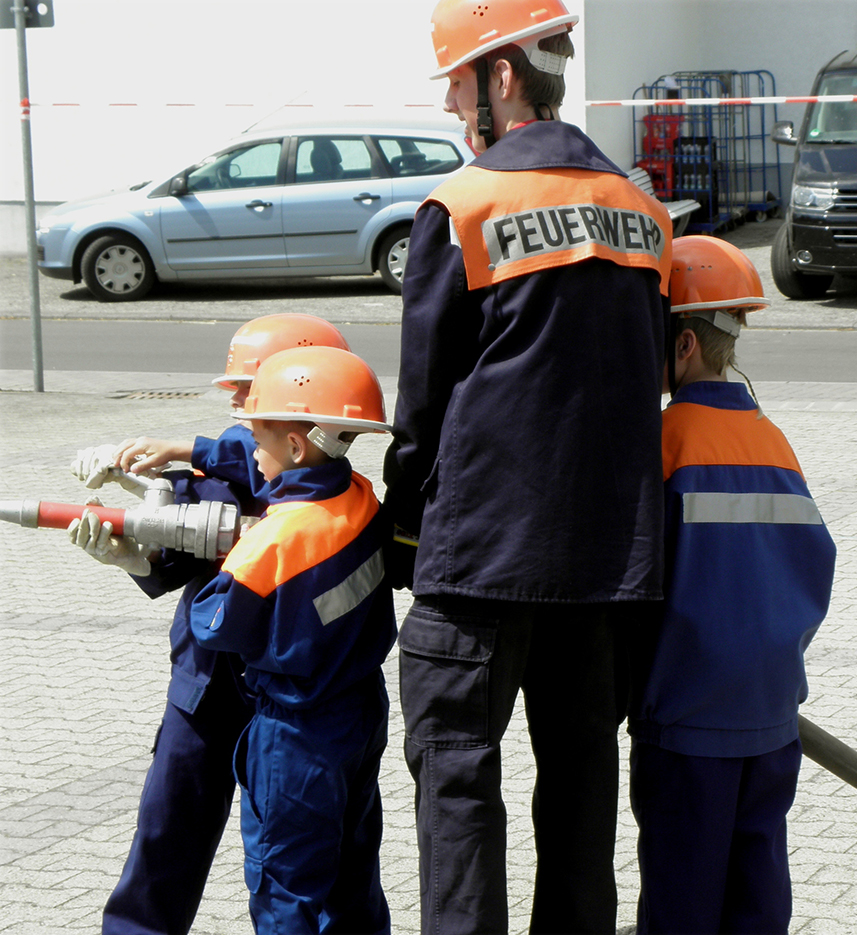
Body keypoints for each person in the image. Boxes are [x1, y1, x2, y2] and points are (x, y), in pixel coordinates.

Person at [381, 1, 673, 931]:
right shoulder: (642, 211)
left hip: (476, 565)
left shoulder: (463, 206)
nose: (449, 106)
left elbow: (422, 404)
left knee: (458, 787)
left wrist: (400, 530)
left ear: (502, 77)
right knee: (583, 788)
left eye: (456, 83)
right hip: (604, 569)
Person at [67, 313, 351, 935]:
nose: (237, 400)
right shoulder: (227, 463)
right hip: (204, 688)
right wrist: (134, 552)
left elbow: (253, 472)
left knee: (309, 863)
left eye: (249, 386)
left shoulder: (327, 490)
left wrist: (185, 450)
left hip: (296, 705)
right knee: (166, 838)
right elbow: (172, 557)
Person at [627, 236, 837, 935]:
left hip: (687, 721)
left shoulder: (664, 441)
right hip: (770, 717)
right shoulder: (773, 441)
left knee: (683, 902)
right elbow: (813, 563)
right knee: (757, 894)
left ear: (683, 344)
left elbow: (632, 586)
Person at [189, 345, 397, 934]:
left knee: (286, 886)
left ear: (297, 446)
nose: (253, 453)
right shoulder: (361, 499)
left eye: (257, 438)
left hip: (296, 733)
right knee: (353, 873)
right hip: (359, 711)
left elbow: (215, 624)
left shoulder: (274, 540)